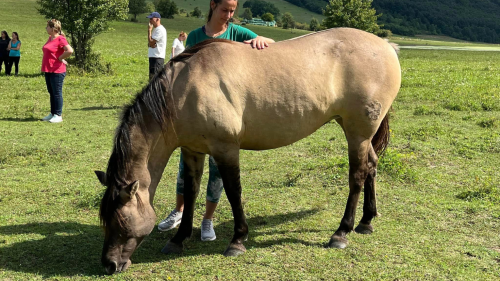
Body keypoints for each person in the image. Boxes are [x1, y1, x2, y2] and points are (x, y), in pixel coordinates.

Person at [157, 0, 275, 242]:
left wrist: (261, 40)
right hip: (195, 117)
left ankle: (208, 220)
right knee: (185, 169)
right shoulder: (196, 37)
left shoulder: (237, 32)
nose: (229, 15)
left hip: (223, 114)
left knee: (218, 172)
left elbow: (271, 45)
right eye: (225, 10)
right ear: (213, 5)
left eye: (233, 10)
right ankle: (179, 212)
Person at [40, 19, 74, 123]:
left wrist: (60, 58)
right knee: (51, 92)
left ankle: (58, 115)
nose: (46, 28)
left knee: (57, 93)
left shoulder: (61, 39)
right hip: (48, 69)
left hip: (57, 70)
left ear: (53, 28)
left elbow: (70, 50)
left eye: (47, 27)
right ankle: (52, 113)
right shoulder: (50, 38)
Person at [147, 12, 167, 80]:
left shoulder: (160, 30)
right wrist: (151, 43)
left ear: (157, 19)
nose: (150, 21)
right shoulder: (156, 29)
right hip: (154, 56)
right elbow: (150, 43)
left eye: (151, 19)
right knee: (152, 79)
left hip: (157, 57)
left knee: (155, 80)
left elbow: (151, 43)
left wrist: (149, 30)